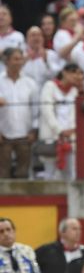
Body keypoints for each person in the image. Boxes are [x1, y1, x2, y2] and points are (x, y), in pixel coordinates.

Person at [0, 48, 38, 178]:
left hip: (24, 134)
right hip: (3, 134)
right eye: (15, 59)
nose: (19, 62)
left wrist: (34, 129)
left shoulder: (30, 83)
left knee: (23, 171)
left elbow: (35, 108)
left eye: (21, 59)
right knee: (2, 171)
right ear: (6, 61)